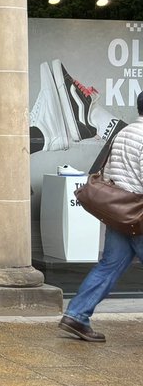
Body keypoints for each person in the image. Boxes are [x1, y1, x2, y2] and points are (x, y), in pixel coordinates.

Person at [59, 90, 143, 343]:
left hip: (120, 214)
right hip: (138, 215)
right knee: (109, 267)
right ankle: (76, 314)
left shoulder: (125, 132)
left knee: (109, 266)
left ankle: (76, 314)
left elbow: (109, 170)